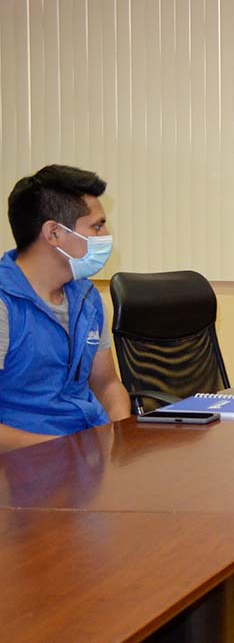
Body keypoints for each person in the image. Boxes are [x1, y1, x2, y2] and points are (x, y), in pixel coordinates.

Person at [0, 165, 131, 452]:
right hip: (22, 469)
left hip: (84, 460)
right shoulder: (4, 304)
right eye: (97, 226)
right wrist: (66, 452)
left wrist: (119, 437)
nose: (106, 235)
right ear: (54, 233)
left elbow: (107, 385)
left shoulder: (86, 296)